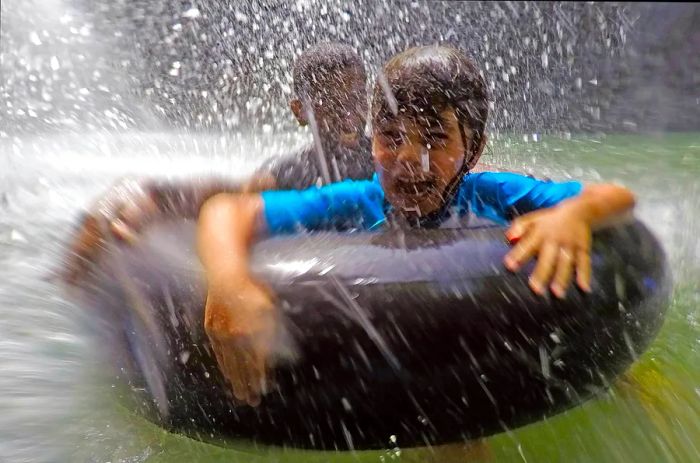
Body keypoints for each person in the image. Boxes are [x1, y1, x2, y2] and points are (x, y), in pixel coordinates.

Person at [196, 45, 637, 407]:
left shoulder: (492, 195)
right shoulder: (359, 200)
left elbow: (616, 196)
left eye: (434, 138)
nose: (409, 158)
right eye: (390, 136)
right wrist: (229, 282)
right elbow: (227, 210)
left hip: (490, 345)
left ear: (475, 147)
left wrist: (573, 215)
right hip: (407, 360)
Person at [63, 42, 374, 282]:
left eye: (357, 97)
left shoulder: (386, 160)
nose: (347, 112)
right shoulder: (291, 172)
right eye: (329, 101)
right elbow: (223, 199)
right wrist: (152, 198)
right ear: (299, 111)